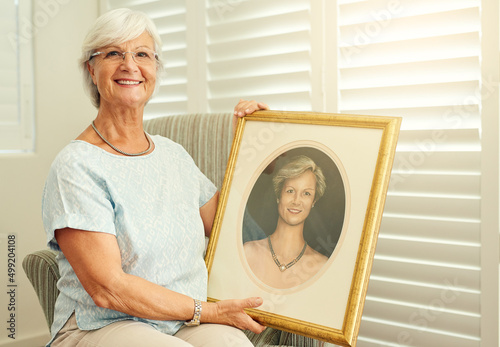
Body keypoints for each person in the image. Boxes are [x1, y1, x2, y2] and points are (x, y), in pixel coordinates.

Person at [42, 8, 269, 347]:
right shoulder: (76, 165)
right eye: (114, 53)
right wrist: (205, 311)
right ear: (91, 68)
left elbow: (227, 224)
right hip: (101, 323)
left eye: (142, 54)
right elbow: (107, 288)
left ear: (156, 70)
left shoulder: (172, 154)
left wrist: (251, 146)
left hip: (178, 319)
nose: (129, 65)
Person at [243, 155, 327, 289]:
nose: (296, 200)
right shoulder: (248, 252)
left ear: (313, 201)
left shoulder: (321, 266)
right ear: (278, 195)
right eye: (290, 191)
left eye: (306, 194)